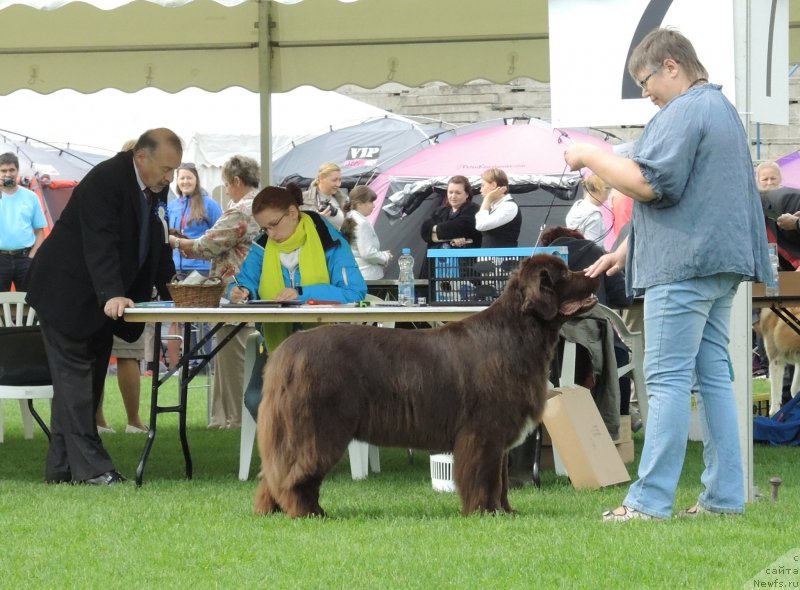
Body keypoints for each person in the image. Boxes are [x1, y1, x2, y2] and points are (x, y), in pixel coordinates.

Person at [564, 28, 770, 521]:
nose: (645, 92)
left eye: (645, 80)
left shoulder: (683, 111)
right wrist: (623, 250)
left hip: (684, 269)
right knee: (715, 377)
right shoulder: (718, 110)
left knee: (667, 379)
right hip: (718, 266)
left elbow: (652, 185)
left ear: (671, 65)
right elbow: (695, 197)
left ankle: (649, 501)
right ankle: (724, 498)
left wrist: (592, 155)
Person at [26, 128, 181, 485]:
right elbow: (100, 240)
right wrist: (112, 292)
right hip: (67, 294)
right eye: (166, 169)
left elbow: (154, 240)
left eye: (174, 170)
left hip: (94, 301)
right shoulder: (106, 180)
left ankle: (62, 468)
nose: (170, 177)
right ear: (141, 157)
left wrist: (172, 286)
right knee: (77, 382)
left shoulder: (153, 187)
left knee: (85, 381)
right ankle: (93, 469)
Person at [229, 183, 367, 418]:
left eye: (274, 225)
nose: (270, 234)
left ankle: (302, 453)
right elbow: (244, 282)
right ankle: (292, 453)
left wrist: (303, 293)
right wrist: (240, 291)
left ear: (293, 213)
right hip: (278, 346)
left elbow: (355, 292)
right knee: (257, 399)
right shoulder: (262, 246)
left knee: (311, 398)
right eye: (264, 228)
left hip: (328, 345)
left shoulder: (331, 243)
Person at [169, 155, 261, 429]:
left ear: (236, 180)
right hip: (251, 290)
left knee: (234, 360)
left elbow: (207, 245)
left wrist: (174, 240)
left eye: (227, 184)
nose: (227, 189)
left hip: (235, 293)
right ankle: (222, 417)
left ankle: (235, 418)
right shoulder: (260, 204)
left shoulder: (240, 210)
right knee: (230, 358)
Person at [96, 140, 150, 436]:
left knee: (129, 354)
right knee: (99, 356)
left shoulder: (152, 197)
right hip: (106, 292)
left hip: (132, 295)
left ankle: (133, 420)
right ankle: (98, 420)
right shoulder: (110, 194)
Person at [165, 162, 222, 368]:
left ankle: (205, 363)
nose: (185, 181)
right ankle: (178, 365)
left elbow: (219, 234)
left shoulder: (210, 204)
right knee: (178, 318)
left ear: (196, 180)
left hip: (201, 268)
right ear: (176, 181)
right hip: (177, 269)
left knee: (203, 318)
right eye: (182, 178)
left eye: (189, 177)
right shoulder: (172, 205)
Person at [0, 152, 47, 292]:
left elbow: (40, 232)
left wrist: (32, 257)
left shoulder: (31, 197)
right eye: (3, 170)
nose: (8, 173)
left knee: (29, 302)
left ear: (17, 171)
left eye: (11, 170)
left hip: (24, 258)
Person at [340, 185, 392, 279]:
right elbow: (368, 254)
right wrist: (385, 256)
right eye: (371, 202)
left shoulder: (349, 217)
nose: (374, 205)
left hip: (352, 274)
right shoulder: (362, 223)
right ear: (359, 204)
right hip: (367, 276)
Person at [420, 175, 482, 249]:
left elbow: (458, 229)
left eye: (458, 193)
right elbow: (425, 231)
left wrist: (434, 230)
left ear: (467, 194)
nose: (453, 196)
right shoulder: (439, 211)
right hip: (434, 258)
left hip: (463, 258)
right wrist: (451, 239)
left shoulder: (473, 209)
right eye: (450, 192)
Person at [474, 168, 521, 247]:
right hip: (488, 257)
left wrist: (487, 200)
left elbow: (481, 225)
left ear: (493, 185)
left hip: (503, 257)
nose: (480, 190)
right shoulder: (494, 207)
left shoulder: (509, 206)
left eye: (483, 185)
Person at [565, 174, 611, 244]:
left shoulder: (576, 206)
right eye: (607, 193)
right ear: (600, 191)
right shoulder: (594, 215)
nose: (607, 198)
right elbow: (593, 245)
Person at [301, 162, 348, 230]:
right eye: (334, 180)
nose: (338, 184)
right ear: (321, 178)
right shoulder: (303, 199)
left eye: (340, 180)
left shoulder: (344, 199)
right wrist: (317, 220)